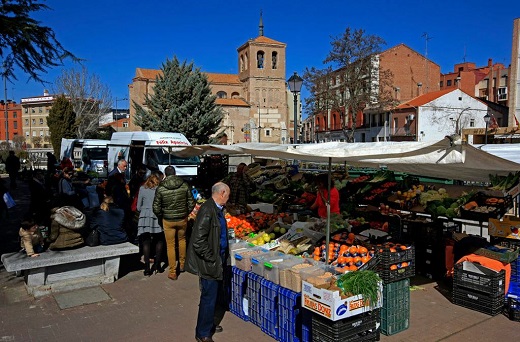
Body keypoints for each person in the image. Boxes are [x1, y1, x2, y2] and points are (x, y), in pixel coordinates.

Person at [185, 182, 231, 342]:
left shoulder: (216, 209)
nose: (229, 198)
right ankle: (203, 333)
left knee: (213, 296)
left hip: (216, 260)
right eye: (228, 195)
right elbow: (198, 241)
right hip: (210, 263)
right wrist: (212, 257)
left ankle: (208, 323)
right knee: (208, 297)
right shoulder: (208, 210)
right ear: (222, 193)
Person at [152, 166, 195, 281]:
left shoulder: (161, 188)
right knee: (182, 240)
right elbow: (191, 201)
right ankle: (182, 264)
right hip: (182, 218)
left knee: (170, 245)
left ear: (165, 175)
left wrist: (161, 215)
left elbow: (156, 207)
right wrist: (186, 212)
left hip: (168, 219)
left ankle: (172, 271)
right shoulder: (184, 185)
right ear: (175, 173)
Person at [137, 171, 165, 276]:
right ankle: (157, 265)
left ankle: (147, 267)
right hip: (156, 216)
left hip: (145, 216)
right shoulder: (159, 190)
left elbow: (138, 207)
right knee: (159, 240)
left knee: (146, 241)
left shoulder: (142, 189)